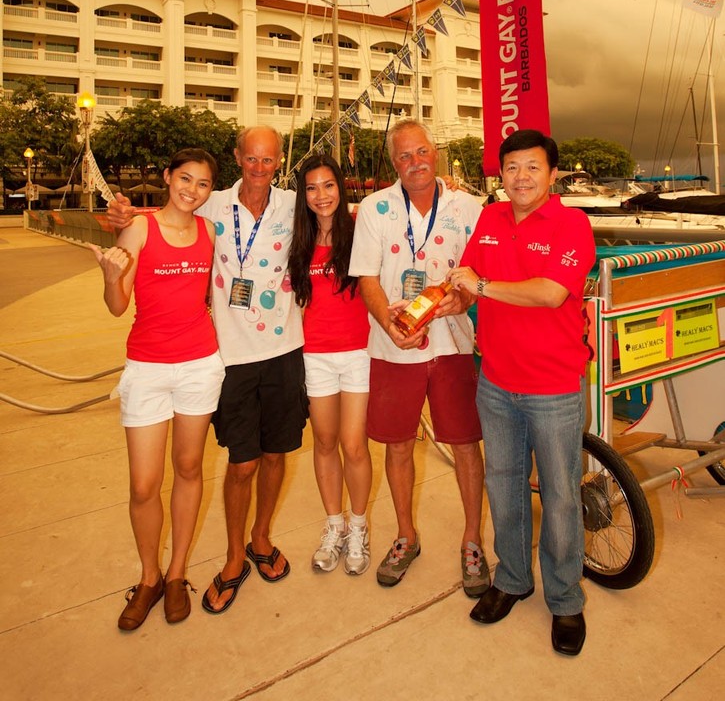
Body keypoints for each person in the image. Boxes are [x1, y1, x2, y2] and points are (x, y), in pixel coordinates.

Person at [107, 126, 307, 616]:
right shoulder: (212, 206)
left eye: (269, 160)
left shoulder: (293, 204)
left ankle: (259, 540)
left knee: (275, 454)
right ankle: (232, 556)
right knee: (240, 463)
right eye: (251, 159)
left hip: (283, 349)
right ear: (238, 158)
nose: (260, 168)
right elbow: (157, 224)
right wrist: (121, 221)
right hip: (228, 356)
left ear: (279, 162)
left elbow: (337, 215)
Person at [449, 128, 595, 657]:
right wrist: (430, 308)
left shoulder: (573, 224)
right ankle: (512, 579)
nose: (521, 177)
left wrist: (482, 288)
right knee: (503, 485)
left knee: (558, 497)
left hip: (553, 384)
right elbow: (465, 284)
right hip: (495, 380)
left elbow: (551, 292)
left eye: (532, 167)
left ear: (552, 174)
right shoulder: (489, 220)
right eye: (512, 167)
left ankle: (565, 599)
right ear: (501, 174)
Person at [348, 119, 490, 596]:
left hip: (453, 343)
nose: (415, 163)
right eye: (404, 156)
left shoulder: (469, 207)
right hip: (394, 344)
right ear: (394, 163)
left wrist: (465, 299)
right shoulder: (374, 207)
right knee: (398, 444)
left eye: (422, 152)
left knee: (467, 443)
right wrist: (387, 323)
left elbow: (480, 272)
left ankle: (472, 539)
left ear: (436, 153)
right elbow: (366, 276)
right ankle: (406, 535)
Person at [91, 148, 224, 630]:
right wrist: (110, 276)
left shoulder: (210, 232)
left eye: (203, 183)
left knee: (189, 468)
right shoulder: (140, 228)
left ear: (211, 190)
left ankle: (175, 574)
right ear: (168, 178)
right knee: (144, 484)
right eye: (184, 178)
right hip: (147, 367)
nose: (192, 189)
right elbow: (116, 304)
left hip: (199, 366)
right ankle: (147, 578)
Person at [288, 153, 373, 575]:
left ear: (341, 187)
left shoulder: (360, 231)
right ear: (303, 195)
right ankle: (334, 525)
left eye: (329, 185)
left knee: (353, 444)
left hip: (358, 353)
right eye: (312, 188)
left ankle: (358, 526)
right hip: (315, 355)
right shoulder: (297, 239)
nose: (321, 196)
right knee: (324, 442)